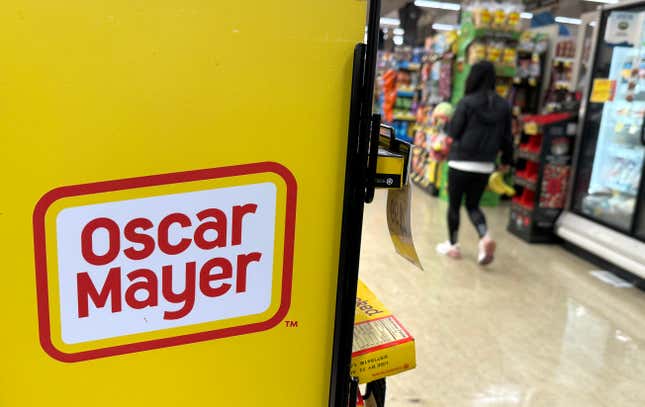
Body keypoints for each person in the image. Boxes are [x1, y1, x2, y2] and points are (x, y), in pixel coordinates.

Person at [436, 61, 513, 265]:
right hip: (485, 164)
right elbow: (507, 138)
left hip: (460, 162)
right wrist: (506, 160)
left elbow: (454, 132)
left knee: (454, 205)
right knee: (473, 205)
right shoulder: (503, 105)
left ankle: (453, 245)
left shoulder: (466, 103)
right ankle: (484, 237)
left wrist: (444, 124)